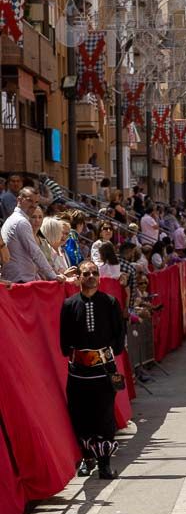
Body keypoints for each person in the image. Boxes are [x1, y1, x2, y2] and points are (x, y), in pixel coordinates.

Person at [60, 259, 126, 479]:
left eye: (94, 273)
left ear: (99, 277)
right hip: (78, 372)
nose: (90, 277)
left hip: (104, 371)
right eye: (86, 273)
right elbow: (64, 339)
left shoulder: (110, 302)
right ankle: (87, 460)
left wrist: (109, 353)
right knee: (80, 416)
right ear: (78, 277)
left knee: (105, 417)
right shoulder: (69, 305)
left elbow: (119, 333)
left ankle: (104, 463)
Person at [1, 187, 60, 283]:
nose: (33, 205)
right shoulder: (21, 222)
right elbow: (35, 252)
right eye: (29, 201)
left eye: (36, 202)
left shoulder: (13, 219)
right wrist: (53, 275)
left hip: (16, 278)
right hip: (20, 280)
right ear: (19, 199)